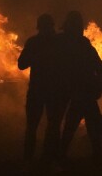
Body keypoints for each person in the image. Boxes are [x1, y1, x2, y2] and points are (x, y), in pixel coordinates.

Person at [58, 11, 102, 159]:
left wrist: (99, 86)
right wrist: (99, 86)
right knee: (94, 122)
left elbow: (97, 68)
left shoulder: (78, 46)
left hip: (82, 91)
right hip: (84, 91)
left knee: (74, 124)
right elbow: (99, 68)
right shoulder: (81, 45)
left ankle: (60, 155)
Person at [18, 14, 67, 162]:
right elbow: (21, 64)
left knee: (49, 126)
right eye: (47, 26)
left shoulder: (53, 42)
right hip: (42, 91)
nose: (48, 29)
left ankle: (46, 159)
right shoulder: (47, 43)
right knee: (39, 127)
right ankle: (36, 160)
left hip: (47, 91)